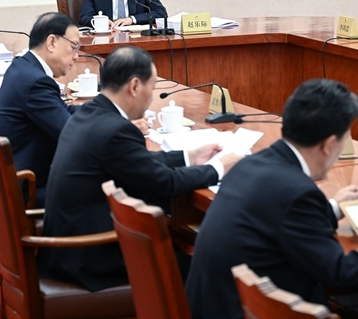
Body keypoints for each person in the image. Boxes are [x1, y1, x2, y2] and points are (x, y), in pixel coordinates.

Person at [186, 79, 358, 319]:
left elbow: (281, 220)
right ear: (329, 144)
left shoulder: (249, 165)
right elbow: (338, 271)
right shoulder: (298, 193)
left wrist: (331, 208)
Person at [38, 46, 240, 291]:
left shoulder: (89, 113)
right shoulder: (116, 130)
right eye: (152, 88)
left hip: (67, 250)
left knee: (185, 253)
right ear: (134, 86)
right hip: (90, 257)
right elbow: (165, 183)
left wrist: (189, 156)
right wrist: (219, 168)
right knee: (208, 272)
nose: (151, 97)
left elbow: (136, 163)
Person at [0, 13, 81, 215]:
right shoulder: (36, 82)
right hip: (17, 194)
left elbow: (61, 112)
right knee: (100, 191)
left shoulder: (23, 66)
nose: (76, 56)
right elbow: (71, 135)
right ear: (52, 42)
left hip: (3, 187)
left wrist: (106, 110)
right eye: (74, 47)